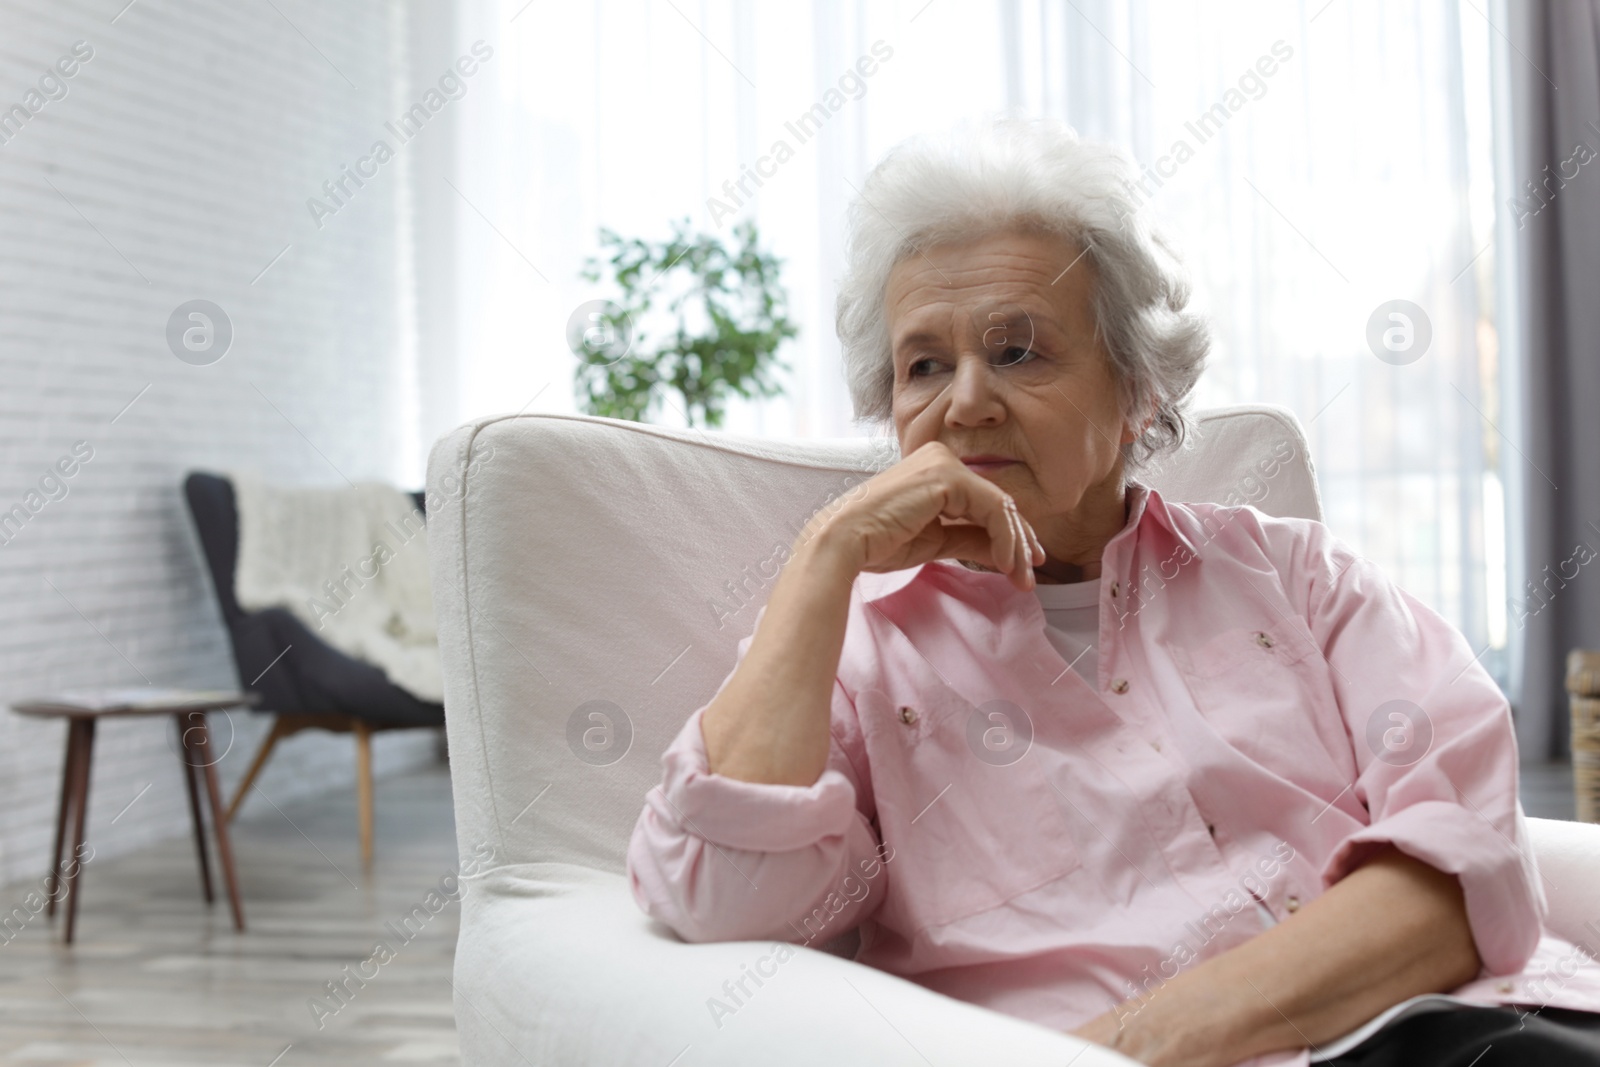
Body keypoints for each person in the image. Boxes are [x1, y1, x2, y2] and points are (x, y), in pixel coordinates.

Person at [626, 116, 1600, 1067]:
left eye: (1018, 350)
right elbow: (722, 900)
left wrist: (1116, 1049)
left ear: (1138, 391)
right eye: (924, 364)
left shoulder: (1303, 578)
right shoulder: (852, 653)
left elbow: (1457, 868)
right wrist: (825, 550)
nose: (963, 400)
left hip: (1477, 1028)